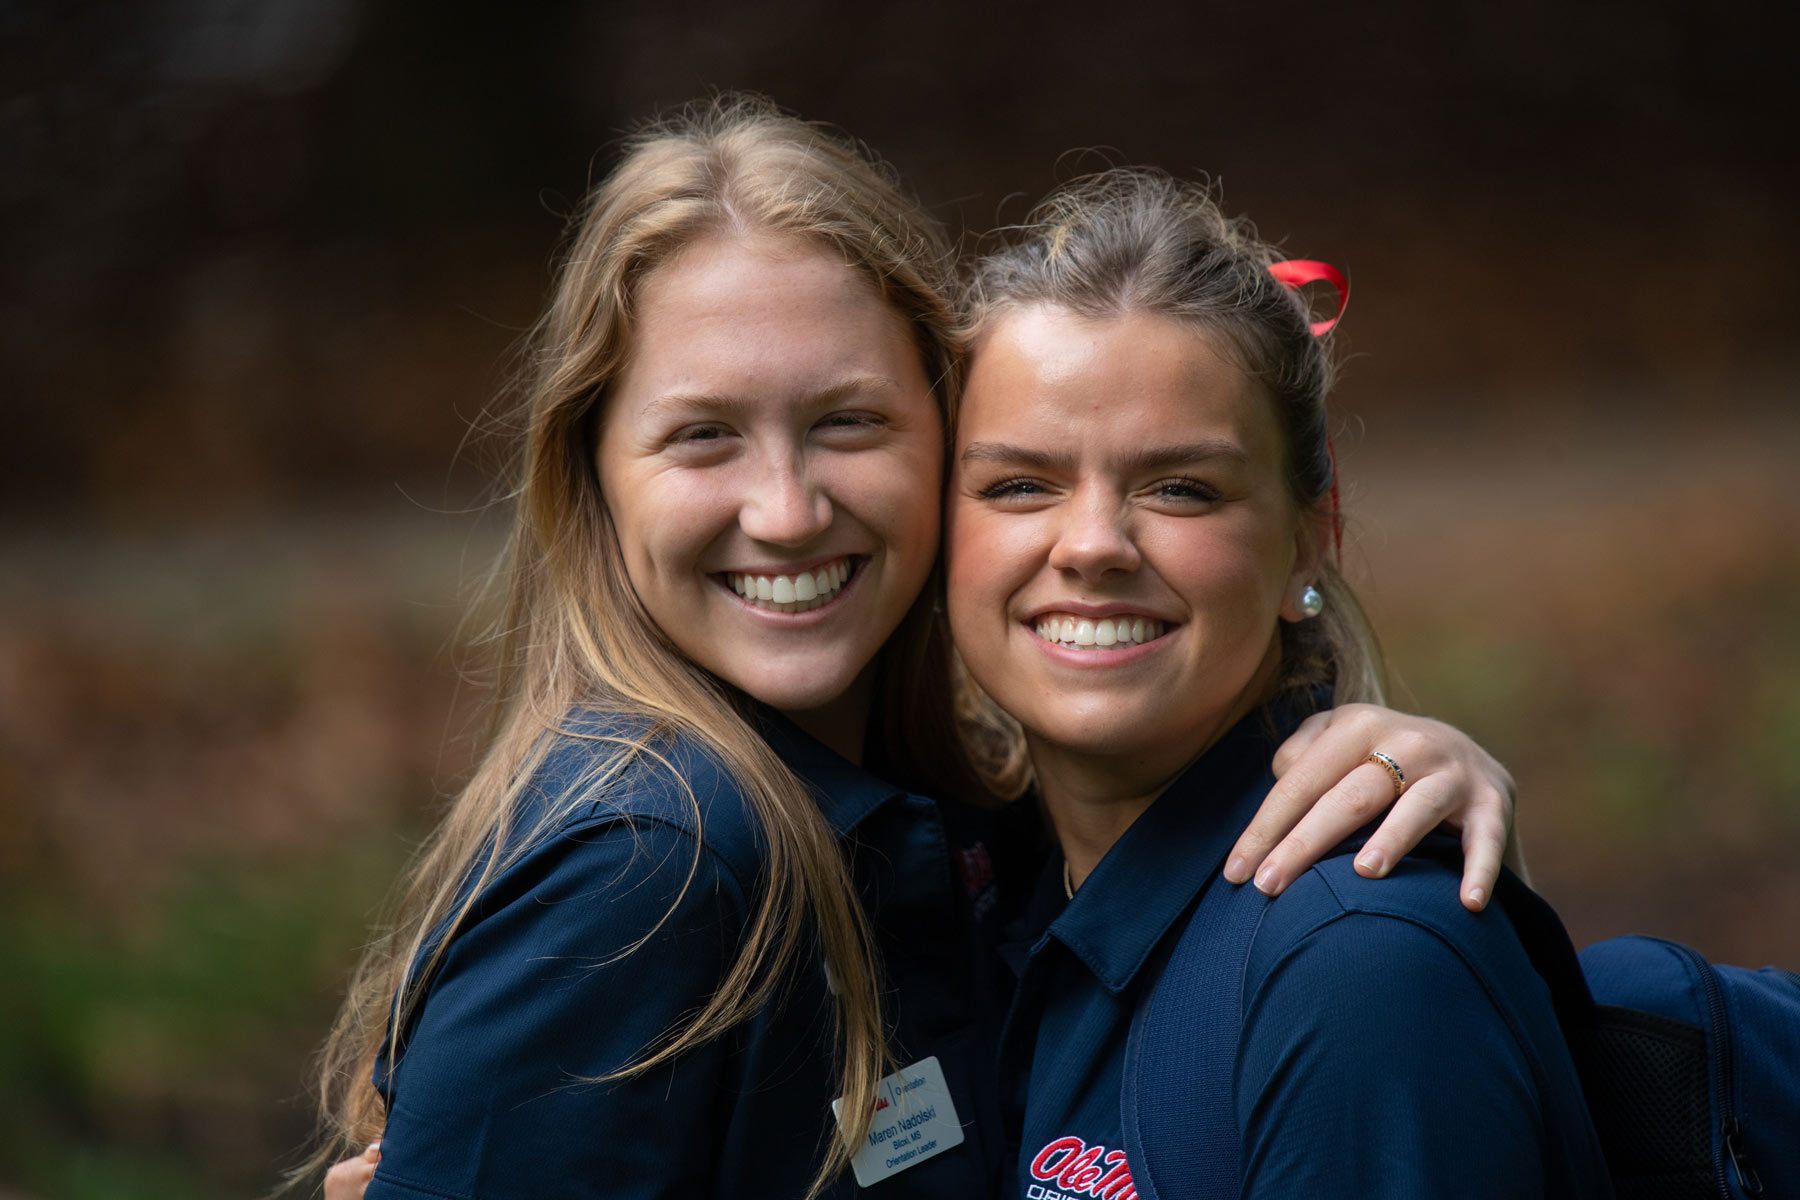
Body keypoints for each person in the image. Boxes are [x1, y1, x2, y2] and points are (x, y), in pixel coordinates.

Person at [308, 98, 1524, 1200]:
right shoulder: (650, 865)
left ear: (933, 464)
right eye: (701, 437)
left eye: (849, 422)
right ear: (590, 477)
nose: (787, 509)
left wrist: (1421, 772)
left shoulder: (977, 851)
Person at [946, 167, 1610, 1197]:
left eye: (1180, 487)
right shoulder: (968, 893)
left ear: (1311, 541)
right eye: (1020, 484)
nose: (1092, 545)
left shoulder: (1356, 968)